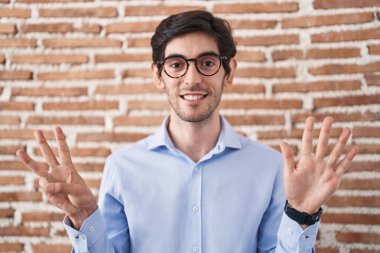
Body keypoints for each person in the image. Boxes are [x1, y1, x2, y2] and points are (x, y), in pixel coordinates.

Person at [16, 10, 358, 253]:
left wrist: (300, 214)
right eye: (176, 64)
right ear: (158, 74)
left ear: (229, 71)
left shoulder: (270, 169)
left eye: (207, 62)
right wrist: (84, 218)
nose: (192, 79)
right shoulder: (122, 167)